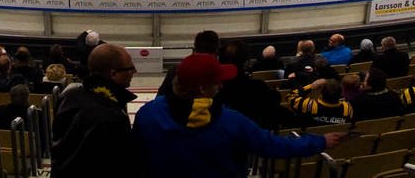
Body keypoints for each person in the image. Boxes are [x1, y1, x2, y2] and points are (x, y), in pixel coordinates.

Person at [132, 52, 339, 177]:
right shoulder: (230, 121)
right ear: (203, 89)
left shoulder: (147, 114)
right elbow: (273, 146)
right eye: (216, 82)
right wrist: (319, 142)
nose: (221, 85)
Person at [49, 43, 143, 176]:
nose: (134, 71)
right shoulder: (113, 116)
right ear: (113, 73)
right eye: (130, 68)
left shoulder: (69, 94)